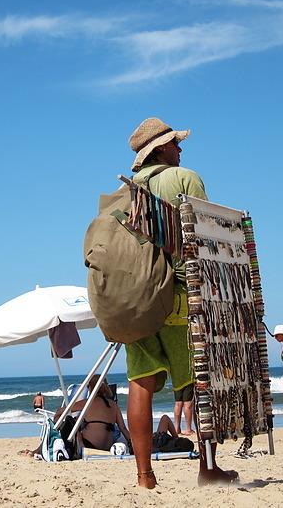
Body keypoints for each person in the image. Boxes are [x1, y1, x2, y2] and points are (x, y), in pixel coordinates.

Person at [125, 117, 237, 488]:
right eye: (175, 144)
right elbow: (204, 236)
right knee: (199, 383)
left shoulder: (128, 190)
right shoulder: (185, 177)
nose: (180, 149)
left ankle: (145, 476)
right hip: (178, 297)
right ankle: (207, 469)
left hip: (137, 301)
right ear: (160, 149)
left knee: (140, 383)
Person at [54, 375, 131, 452]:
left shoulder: (87, 403)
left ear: (90, 387)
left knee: (71, 422)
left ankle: (76, 448)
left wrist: (57, 425)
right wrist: (131, 443)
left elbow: (59, 412)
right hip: (107, 447)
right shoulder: (114, 405)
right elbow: (123, 428)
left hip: (88, 447)